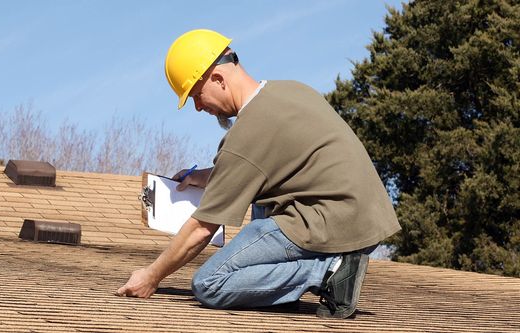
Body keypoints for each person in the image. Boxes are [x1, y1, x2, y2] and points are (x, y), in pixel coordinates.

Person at [116, 29, 401, 319]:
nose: (199, 107)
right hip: (363, 218)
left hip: (331, 224)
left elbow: (202, 228)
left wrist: (152, 275)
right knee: (260, 198)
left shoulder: (246, 134)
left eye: (196, 96)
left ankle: (329, 272)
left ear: (217, 78)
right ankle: (282, 292)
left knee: (208, 284)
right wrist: (204, 176)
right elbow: (261, 165)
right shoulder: (290, 91)